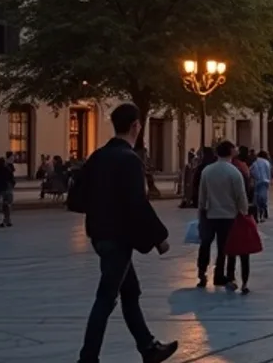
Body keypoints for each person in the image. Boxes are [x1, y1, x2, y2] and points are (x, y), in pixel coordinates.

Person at [73, 103, 178, 363]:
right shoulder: (130, 160)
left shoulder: (97, 156)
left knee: (130, 292)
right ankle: (88, 358)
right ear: (135, 126)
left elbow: (77, 197)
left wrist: (100, 209)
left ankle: (148, 347)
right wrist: (159, 238)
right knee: (106, 298)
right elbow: (137, 203)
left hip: (99, 234)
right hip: (119, 238)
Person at [197, 140, 250, 291]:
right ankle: (223, 275)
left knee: (205, 244)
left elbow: (202, 195)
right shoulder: (234, 172)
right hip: (229, 215)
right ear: (231, 152)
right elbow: (241, 196)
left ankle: (202, 272)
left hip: (209, 213)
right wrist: (243, 212)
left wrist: (201, 210)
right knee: (226, 247)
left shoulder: (207, 171)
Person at [249, 150, 272, 222]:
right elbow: (269, 172)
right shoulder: (266, 162)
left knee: (257, 198)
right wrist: (269, 181)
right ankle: (263, 212)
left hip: (257, 182)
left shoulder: (255, 163)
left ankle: (259, 213)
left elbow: (251, 171)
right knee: (263, 198)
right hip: (265, 181)